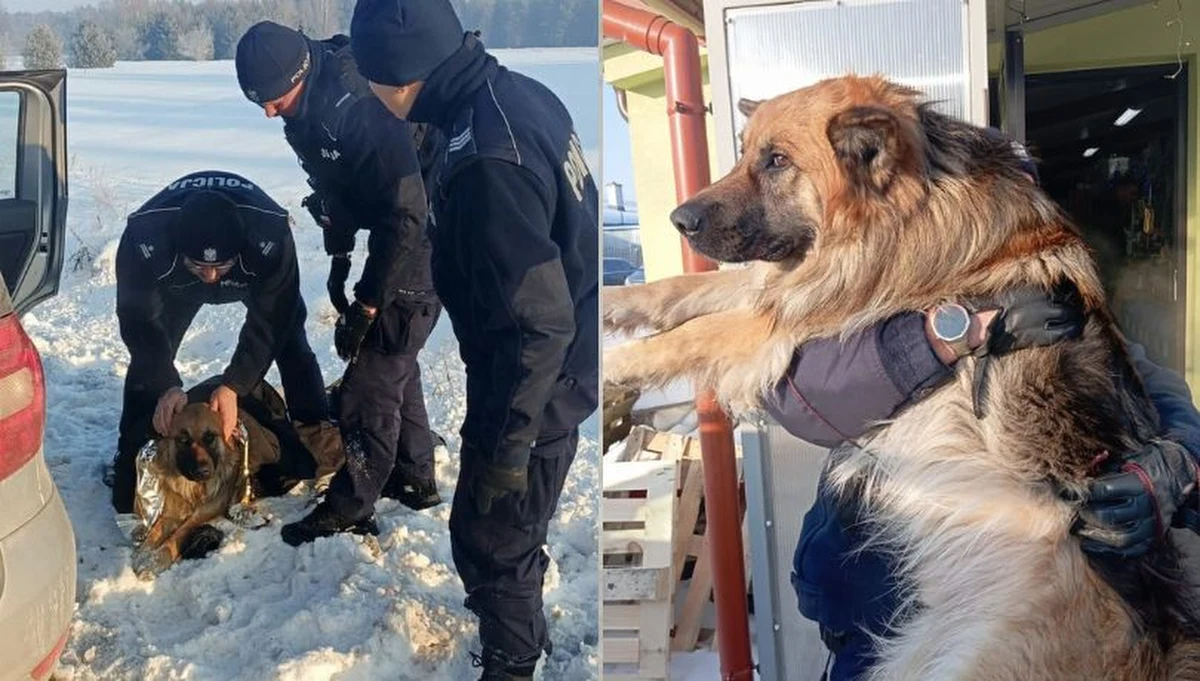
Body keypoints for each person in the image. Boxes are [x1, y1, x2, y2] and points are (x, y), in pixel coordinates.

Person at [762, 144, 1200, 680]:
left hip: (1012, 607)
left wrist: (1178, 460)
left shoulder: (1052, 297)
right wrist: (952, 333)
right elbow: (797, 396)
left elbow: (1150, 380)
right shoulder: (873, 285)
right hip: (877, 591)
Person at [348, 2, 600, 678]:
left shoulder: (486, 158)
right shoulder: (512, 94)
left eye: (371, 78)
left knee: (494, 538)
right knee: (498, 531)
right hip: (551, 363)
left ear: (398, 74)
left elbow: (537, 323)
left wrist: (507, 449)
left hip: (538, 384)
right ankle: (516, 624)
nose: (369, 94)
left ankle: (513, 662)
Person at [233, 21, 447, 545]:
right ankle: (415, 477)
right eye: (256, 101)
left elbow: (406, 215)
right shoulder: (304, 106)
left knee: (367, 384)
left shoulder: (361, 107)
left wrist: (369, 302)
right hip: (399, 219)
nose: (267, 111)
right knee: (396, 358)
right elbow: (338, 185)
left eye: (273, 98)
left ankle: (353, 504)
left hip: (430, 223)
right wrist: (339, 253)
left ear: (299, 75)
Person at [111, 170, 331, 514]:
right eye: (202, 266)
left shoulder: (270, 233)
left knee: (293, 346)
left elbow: (272, 321)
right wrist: (166, 383)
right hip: (176, 283)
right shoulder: (145, 236)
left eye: (220, 266)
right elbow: (139, 322)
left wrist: (234, 385)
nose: (211, 276)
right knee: (149, 365)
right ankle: (129, 455)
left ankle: (316, 436)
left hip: (251, 278)